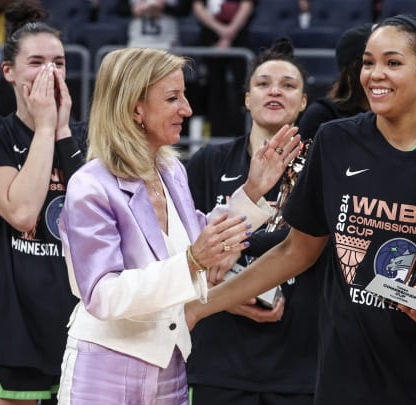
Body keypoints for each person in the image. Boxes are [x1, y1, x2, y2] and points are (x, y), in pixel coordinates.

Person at [186, 14, 416, 405]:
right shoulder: (336, 141)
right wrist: (200, 308)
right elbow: (295, 250)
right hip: (346, 372)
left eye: (393, 62)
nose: (375, 74)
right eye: (368, 62)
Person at [55, 46, 300, 404]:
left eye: (183, 96)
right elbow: (103, 296)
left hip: (170, 362)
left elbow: (202, 243)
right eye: (173, 98)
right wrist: (191, 262)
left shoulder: (171, 170)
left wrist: (252, 190)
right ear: (135, 106)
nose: (186, 109)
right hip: (104, 367)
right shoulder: (90, 185)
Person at [185, 37, 317, 405]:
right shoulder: (207, 163)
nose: (275, 91)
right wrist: (228, 298)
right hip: (219, 357)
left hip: (299, 360)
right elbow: (181, 251)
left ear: (303, 101)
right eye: (262, 84)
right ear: (246, 99)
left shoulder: (325, 167)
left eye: (289, 85)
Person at [0, 0, 87, 402]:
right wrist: (43, 128)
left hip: (80, 327)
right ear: (9, 72)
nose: (49, 73)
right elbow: (22, 213)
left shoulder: (85, 140)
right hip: (13, 329)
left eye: (58, 62)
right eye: (36, 62)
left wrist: (62, 134)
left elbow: (96, 213)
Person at [297, 22, 371, 140]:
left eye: (392, 63)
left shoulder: (403, 114)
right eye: (369, 63)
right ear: (352, 71)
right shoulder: (323, 116)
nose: (381, 72)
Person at [192, 0, 254, 137]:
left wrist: (229, 33)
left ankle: (243, 136)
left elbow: (247, 5)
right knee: (214, 90)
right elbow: (197, 5)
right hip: (210, 37)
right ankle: (216, 136)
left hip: (240, 37)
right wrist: (220, 29)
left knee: (243, 89)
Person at [116, 0, 193, 49]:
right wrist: (135, 10)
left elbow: (185, 9)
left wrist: (164, 7)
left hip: (167, 42)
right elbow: (120, 8)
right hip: (138, 41)